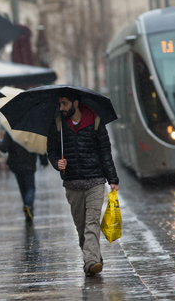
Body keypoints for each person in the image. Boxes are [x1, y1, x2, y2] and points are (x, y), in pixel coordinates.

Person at [46, 91, 119, 277]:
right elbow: (52, 152)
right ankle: (93, 257)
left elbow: (105, 152)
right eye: (59, 104)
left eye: (64, 104)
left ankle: (91, 261)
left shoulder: (95, 121)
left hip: (95, 181)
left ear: (75, 103)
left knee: (91, 223)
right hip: (72, 184)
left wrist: (113, 179)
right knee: (80, 227)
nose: (61, 108)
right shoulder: (56, 125)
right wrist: (57, 163)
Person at [0, 132, 48, 223]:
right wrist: (43, 161)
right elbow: (39, 147)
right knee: (30, 188)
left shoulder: (11, 132)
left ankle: (28, 208)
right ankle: (28, 206)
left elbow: (3, 148)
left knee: (22, 187)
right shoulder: (33, 132)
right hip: (29, 164)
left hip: (16, 165)